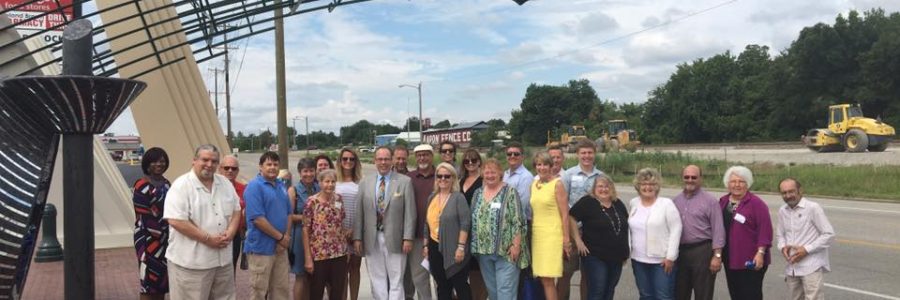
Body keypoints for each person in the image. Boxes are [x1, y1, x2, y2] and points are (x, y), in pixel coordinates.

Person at [163, 144, 241, 299]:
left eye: (214, 161)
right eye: (205, 160)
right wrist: (208, 239)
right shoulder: (181, 186)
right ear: (194, 161)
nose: (209, 165)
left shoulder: (225, 184)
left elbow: (236, 210)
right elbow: (176, 220)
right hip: (192, 265)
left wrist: (231, 232)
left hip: (223, 262)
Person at [353, 146, 417, 300]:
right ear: (375, 161)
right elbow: (359, 213)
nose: (383, 162)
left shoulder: (404, 182)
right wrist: (357, 238)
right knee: (377, 279)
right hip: (372, 238)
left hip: (396, 239)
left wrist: (408, 237)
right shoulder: (365, 183)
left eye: (387, 159)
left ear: (392, 160)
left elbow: (410, 213)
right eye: (380, 159)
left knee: (396, 280)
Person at [470, 159, 529, 300]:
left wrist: (516, 245)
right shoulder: (477, 193)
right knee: (493, 293)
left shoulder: (510, 192)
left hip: (506, 251)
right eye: (487, 172)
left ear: (500, 174)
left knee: (505, 292)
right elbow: (472, 218)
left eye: (493, 172)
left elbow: (518, 220)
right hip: (484, 252)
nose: (490, 175)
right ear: (482, 174)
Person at [568, 174, 629, 300]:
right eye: (600, 186)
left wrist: (625, 252)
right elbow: (571, 217)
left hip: (616, 256)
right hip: (595, 255)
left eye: (607, 186)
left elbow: (625, 225)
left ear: (612, 188)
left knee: (610, 289)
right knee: (597, 290)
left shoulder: (618, 204)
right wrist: (578, 241)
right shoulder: (588, 202)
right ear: (594, 189)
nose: (604, 189)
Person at [775, 178, 834, 300]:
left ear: (800, 191)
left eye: (791, 191)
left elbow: (828, 234)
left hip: (811, 266)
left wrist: (806, 250)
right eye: (784, 193)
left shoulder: (812, 208)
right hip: (792, 267)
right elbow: (780, 235)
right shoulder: (782, 211)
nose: (788, 195)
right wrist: (782, 247)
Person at [719, 166, 773, 300]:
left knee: (750, 295)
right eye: (733, 181)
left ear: (747, 184)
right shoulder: (723, 202)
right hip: (730, 259)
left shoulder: (756, 204)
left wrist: (760, 254)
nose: (737, 185)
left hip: (751, 260)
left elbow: (765, 231)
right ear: (728, 183)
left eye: (741, 181)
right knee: (736, 294)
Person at [244, 151, 292, 300]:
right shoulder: (254, 187)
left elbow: (288, 213)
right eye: (268, 164)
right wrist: (280, 237)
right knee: (259, 291)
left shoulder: (281, 186)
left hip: (280, 248)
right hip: (261, 249)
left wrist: (286, 237)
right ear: (260, 167)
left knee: (281, 290)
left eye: (275, 164)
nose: (272, 167)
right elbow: (257, 219)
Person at [672, 165, 725, 300]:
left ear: (700, 178)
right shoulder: (675, 201)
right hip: (681, 253)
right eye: (687, 177)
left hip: (702, 252)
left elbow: (718, 230)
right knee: (680, 293)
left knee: (703, 294)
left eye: (694, 177)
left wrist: (717, 256)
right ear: (682, 178)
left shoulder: (710, 201)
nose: (690, 180)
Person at [629, 167, 682, 300]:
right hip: (638, 259)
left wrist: (671, 256)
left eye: (652, 184)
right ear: (638, 186)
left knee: (663, 296)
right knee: (645, 295)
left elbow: (676, 229)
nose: (648, 187)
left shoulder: (666, 204)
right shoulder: (634, 203)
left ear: (657, 186)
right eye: (644, 184)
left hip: (661, 261)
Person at [560, 139, 603, 300]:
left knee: (588, 274)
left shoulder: (602, 177)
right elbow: (562, 205)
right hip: (572, 230)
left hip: (593, 233)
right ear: (577, 154)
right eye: (583, 153)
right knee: (566, 272)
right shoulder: (568, 175)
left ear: (594, 154)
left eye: (590, 152)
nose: (587, 156)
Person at [424, 162, 473, 300]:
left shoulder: (458, 198)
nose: (443, 179)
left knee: (460, 285)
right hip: (434, 247)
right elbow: (426, 224)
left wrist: (461, 248)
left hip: (455, 248)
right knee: (442, 286)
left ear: (453, 178)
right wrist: (425, 245)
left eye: (447, 176)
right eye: (440, 176)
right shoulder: (432, 198)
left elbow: (465, 223)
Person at [303, 169, 350, 300]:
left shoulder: (339, 199)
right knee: (316, 292)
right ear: (320, 183)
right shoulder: (311, 202)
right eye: (327, 181)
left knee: (337, 292)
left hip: (339, 253)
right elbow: (305, 230)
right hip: (319, 255)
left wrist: (346, 249)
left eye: (333, 181)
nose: (330, 184)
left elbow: (341, 224)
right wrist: (308, 258)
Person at [530, 151, 571, 300]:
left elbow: (565, 214)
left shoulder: (557, 184)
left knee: (548, 279)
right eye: (539, 164)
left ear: (551, 166)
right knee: (542, 277)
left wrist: (566, 239)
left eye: (545, 164)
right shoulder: (534, 184)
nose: (542, 168)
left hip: (552, 235)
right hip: (538, 235)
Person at [133, 147, 171, 300]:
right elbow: (144, 214)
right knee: (148, 280)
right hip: (147, 238)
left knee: (162, 280)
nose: (159, 164)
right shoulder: (141, 185)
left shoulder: (167, 184)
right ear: (147, 164)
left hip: (166, 238)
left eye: (162, 161)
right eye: (155, 161)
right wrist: (162, 235)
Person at [405, 144, 436, 300]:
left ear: (432, 156)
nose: (422, 158)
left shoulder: (442, 175)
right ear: (415, 158)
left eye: (425, 154)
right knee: (419, 276)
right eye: (419, 155)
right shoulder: (408, 178)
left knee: (440, 277)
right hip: (417, 234)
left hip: (438, 235)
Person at [289, 158, 319, 300]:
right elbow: (288, 216)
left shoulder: (320, 188)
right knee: (301, 276)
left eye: (311, 170)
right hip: (300, 237)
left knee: (314, 276)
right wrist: (305, 218)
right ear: (300, 173)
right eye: (305, 171)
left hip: (318, 237)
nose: (309, 174)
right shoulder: (293, 190)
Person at [459, 149, 487, 300]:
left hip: (478, 231)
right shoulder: (460, 181)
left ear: (479, 162)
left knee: (477, 271)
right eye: (467, 161)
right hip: (463, 231)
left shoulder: (484, 181)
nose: (470, 163)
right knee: (464, 269)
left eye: (474, 160)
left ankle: (479, 297)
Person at [337, 148, 363, 300]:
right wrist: (341, 231)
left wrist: (355, 230)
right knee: (341, 271)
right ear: (340, 161)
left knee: (355, 268)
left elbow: (365, 209)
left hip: (356, 231)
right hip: (338, 232)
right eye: (345, 159)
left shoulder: (361, 182)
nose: (348, 162)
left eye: (351, 159)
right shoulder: (334, 181)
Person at [218, 155, 248, 273]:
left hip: (235, 236)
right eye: (226, 168)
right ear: (220, 169)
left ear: (237, 171)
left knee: (231, 269)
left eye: (233, 168)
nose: (230, 170)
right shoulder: (211, 188)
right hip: (215, 236)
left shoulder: (244, 189)